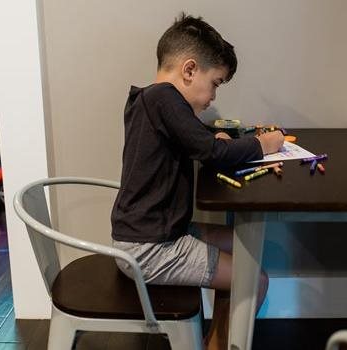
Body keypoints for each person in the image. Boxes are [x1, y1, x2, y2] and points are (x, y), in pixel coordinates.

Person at [111, 13, 284, 350]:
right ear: (189, 70)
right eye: (216, 83)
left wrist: (208, 134)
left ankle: (215, 341)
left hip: (153, 235)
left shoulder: (150, 99)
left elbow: (187, 138)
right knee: (255, 280)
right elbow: (212, 154)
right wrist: (264, 144)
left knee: (243, 248)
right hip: (151, 249)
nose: (214, 97)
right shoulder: (164, 99)